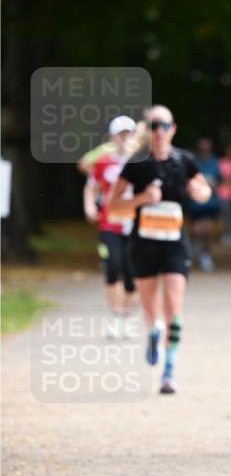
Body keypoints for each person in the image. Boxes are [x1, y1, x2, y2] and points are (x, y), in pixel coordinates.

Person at [107, 104, 211, 394]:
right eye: (154, 126)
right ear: (147, 130)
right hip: (143, 244)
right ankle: (153, 332)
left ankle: (169, 371)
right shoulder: (136, 163)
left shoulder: (185, 160)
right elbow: (113, 204)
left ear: (173, 129)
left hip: (175, 244)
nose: (160, 131)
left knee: (174, 307)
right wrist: (141, 199)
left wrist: (199, 193)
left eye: (165, 125)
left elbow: (204, 190)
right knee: (152, 309)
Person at [82, 115, 139, 336]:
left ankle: (128, 316)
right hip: (109, 223)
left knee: (133, 271)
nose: (124, 138)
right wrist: (89, 207)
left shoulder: (141, 161)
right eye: (120, 133)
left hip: (136, 223)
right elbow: (91, 186)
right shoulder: (104, 161)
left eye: (128, 133)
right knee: (113, 267)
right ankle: (116, 317)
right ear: (112, 136)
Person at [188, 137, 220, 272]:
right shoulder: (193, 162)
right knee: (197, 230)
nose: (205, 152)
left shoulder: (215, 163)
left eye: (207, 149)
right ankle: (196, 248)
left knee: (207, 230)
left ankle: (206, 255)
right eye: (202, 150)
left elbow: (221, 181)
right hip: (195, 204)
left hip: (211, 204)